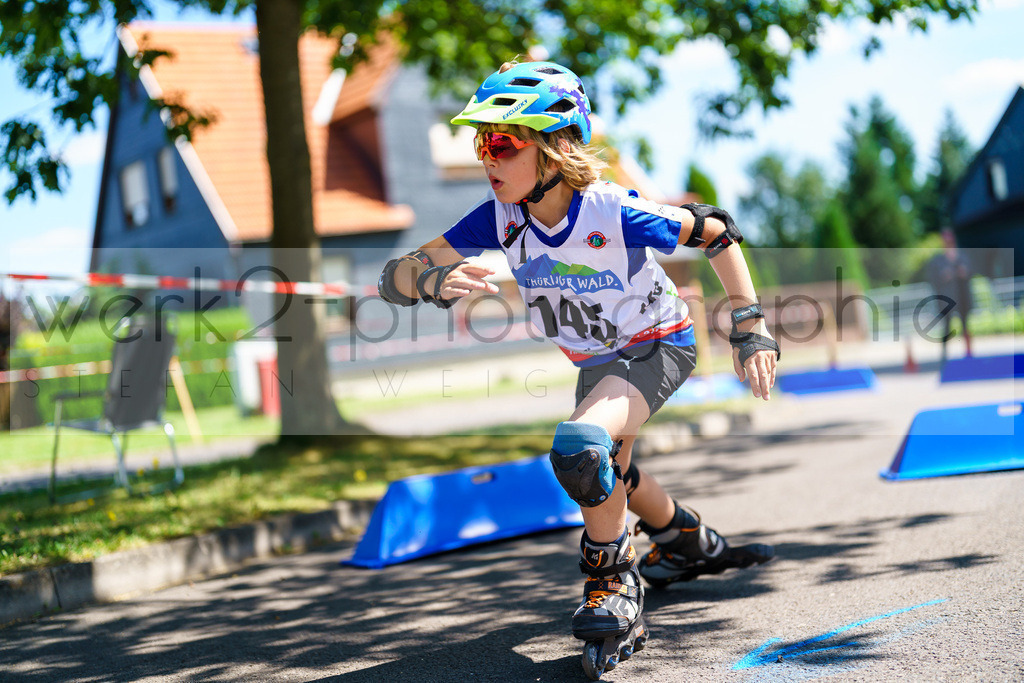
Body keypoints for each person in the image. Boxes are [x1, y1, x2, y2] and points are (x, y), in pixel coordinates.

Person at [376, 61, 779, 678]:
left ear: (554, 146)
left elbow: (718, 231)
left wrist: (749, 328)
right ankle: (686, 540)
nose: (487, 157)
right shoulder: (498, 217)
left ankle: (614, 584)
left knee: (581, 445)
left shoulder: (610, 210)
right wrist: (430, 280)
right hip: (598, 361)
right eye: (479, 141)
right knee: (608, 463)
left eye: (502, 142)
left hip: (656, 345)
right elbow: (394, 276)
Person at [926, 228, 973, 365]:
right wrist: (944, 276)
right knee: (946, 327)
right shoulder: (938, 260)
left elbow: (970, 272)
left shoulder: (962, 256)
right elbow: (933, 279)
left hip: (962, 296)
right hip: (948, 299)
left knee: (965, 325)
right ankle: (945, 356)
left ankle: (969, 353)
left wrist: (964, 272)